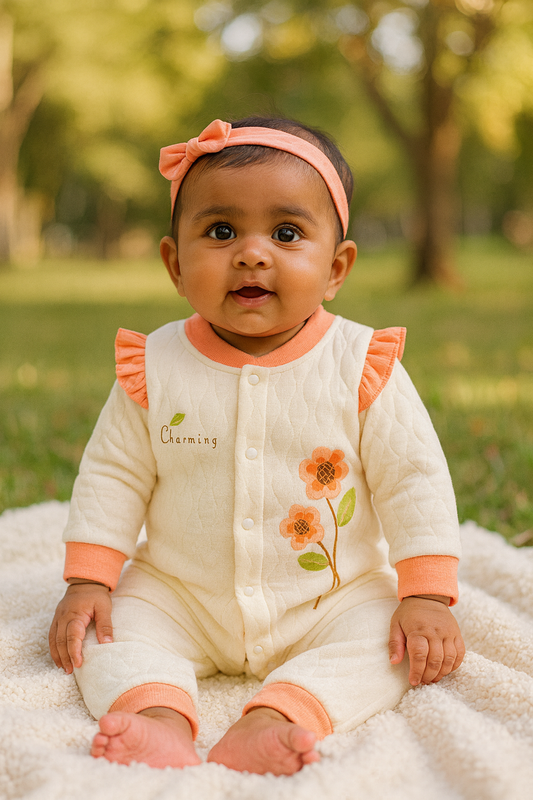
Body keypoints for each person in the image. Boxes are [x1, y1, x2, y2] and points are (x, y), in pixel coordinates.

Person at [49, 116, 465, 776]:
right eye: (220, 232)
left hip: (330, 598)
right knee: (104, 635)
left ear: (335, 267)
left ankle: (279, 715)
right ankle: (157, 716)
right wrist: (88, 580)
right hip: (181, 592)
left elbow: (412, 477)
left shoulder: (360, 363)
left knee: (388, 647)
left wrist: (424, 594)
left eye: (286, 233)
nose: (251, 253)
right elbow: (114, 473)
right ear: (173, 264)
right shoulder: (154, 365)